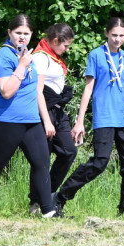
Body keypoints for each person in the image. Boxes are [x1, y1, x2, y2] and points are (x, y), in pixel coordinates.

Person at [55, 17, 124, 216]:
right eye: (114, 35)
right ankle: (59, 198)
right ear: (107, 33)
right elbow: (88, 88)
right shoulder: (96, 55)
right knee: (99, 163)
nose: (117, 39)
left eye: (121, 36)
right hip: (105, 118)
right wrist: (80, 120)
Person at [0, 14, 59, 219]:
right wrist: (22, 66)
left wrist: (45, 119)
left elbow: (35, 89)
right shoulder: (4, 56)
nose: (22, 37)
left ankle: (48, 211)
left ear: (32, 35)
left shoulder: (28, 55)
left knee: (41, 162)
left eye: (26, 33)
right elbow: (6, 91)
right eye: (18, 33)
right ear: (10, 32)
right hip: (7, 121)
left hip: (31, 121)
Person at [33, 23, 77, 195]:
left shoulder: (53, 57)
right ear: (56, 40)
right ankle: (37, 201)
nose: (67, 49)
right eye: (65, 45)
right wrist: (46, 121)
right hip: (46, 111)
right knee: (43, 158)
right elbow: (38, 90)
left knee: (69, 151)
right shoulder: (41, 57)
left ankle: (47, 194)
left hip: (58, 111)